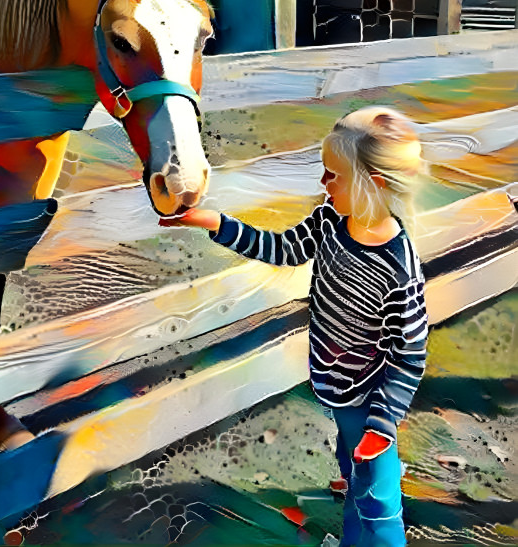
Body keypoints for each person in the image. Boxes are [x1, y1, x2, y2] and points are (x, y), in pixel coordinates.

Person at [161, 106, 428, 547]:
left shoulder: (398, 267)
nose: (323, 185)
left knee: (379, 507)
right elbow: (281, 248)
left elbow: (409, 352)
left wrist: (382, 425)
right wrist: (218, 225)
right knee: (354, 480)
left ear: (372, 185)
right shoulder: (328, 224)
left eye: (333, 176)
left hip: (372, 401)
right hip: (336, 389)